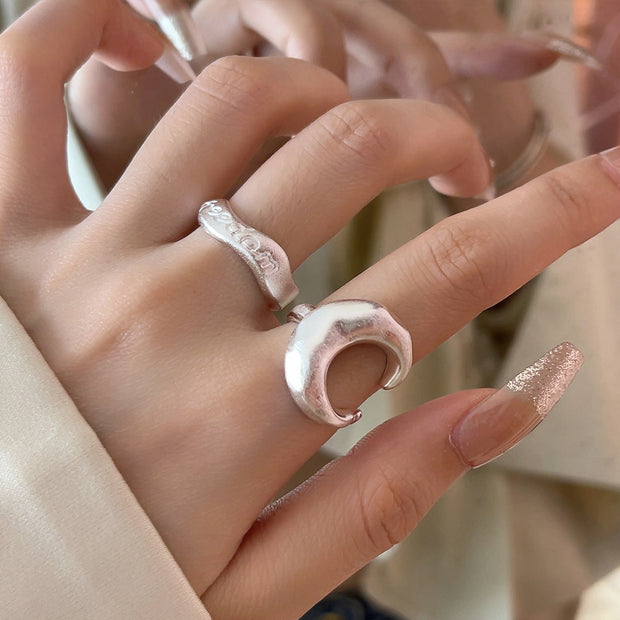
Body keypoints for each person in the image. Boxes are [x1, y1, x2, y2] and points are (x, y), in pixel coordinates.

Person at [1, 1, 619, 618]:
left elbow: (584, 327)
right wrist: (111, 152)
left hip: (453, 569)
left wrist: (508, 137)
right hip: (188, 575)